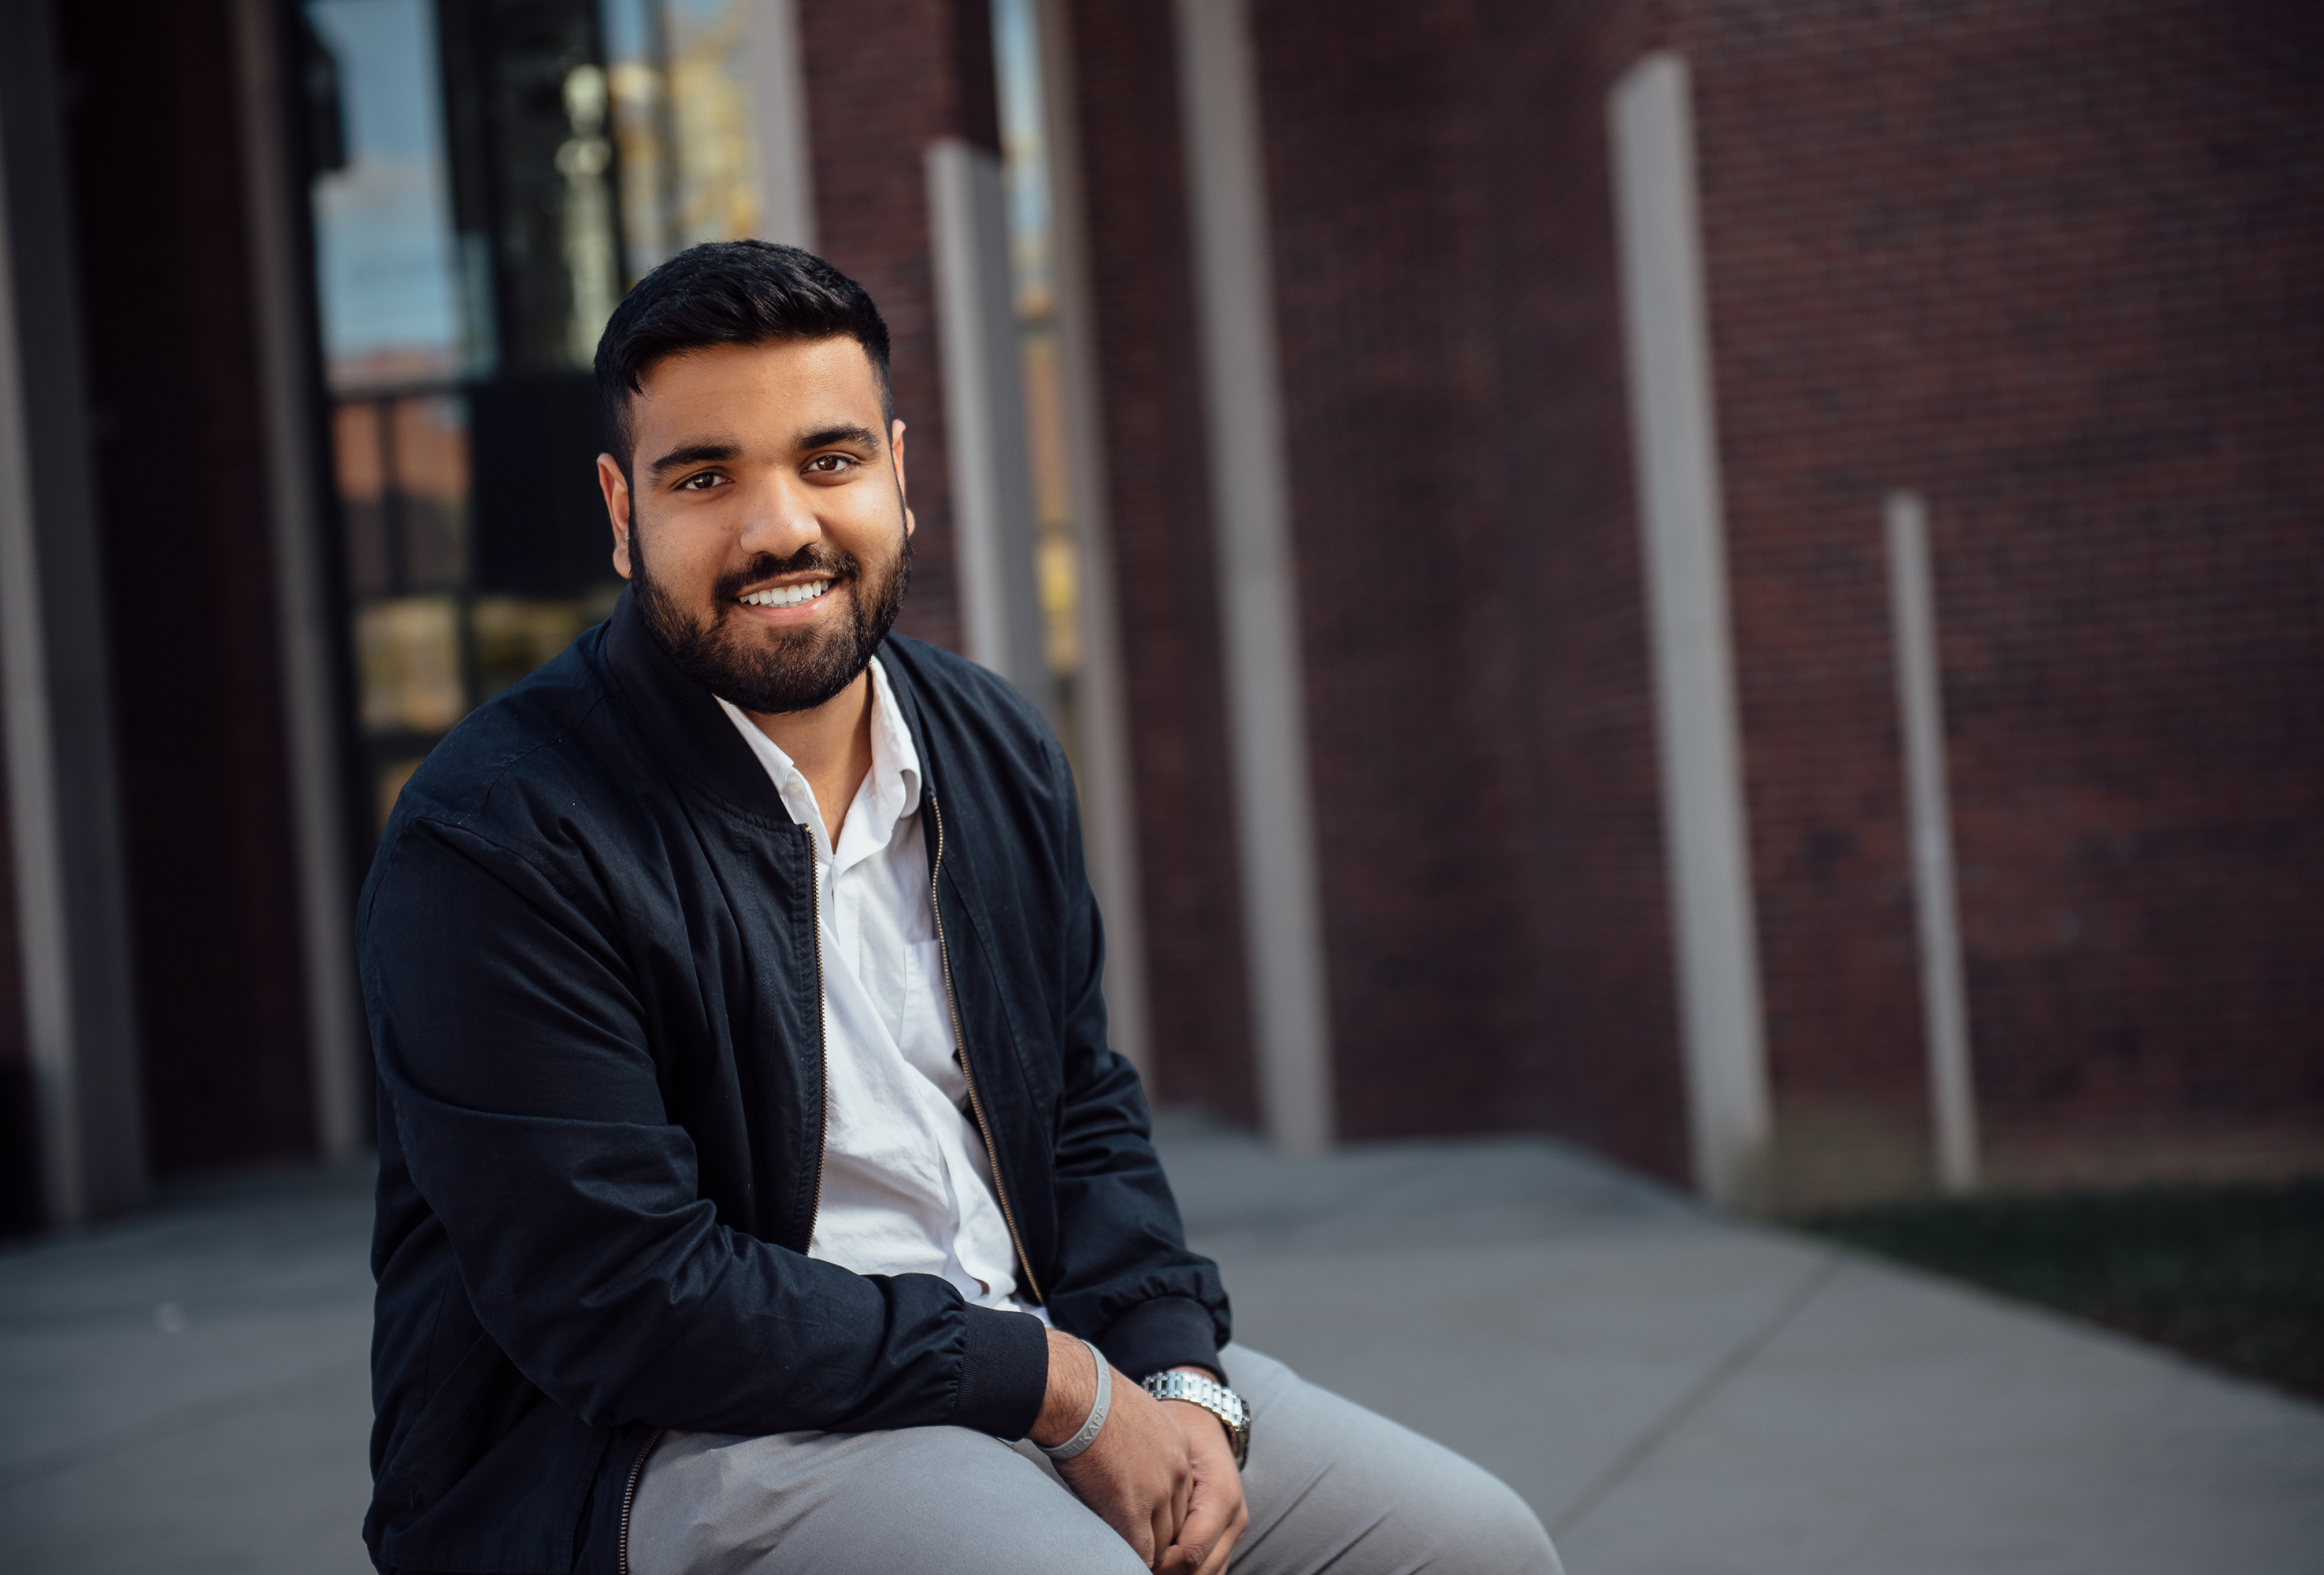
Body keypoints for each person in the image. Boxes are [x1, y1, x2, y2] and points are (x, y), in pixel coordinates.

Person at [360, 239, 1562, 1575]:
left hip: (1032, 1362)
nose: (780, 529)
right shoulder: (502, 832)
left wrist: (1176, 1378)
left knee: (1474, 1547)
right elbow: (622, 1299)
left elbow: (1083, 1109)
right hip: (673, 1441)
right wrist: (1052, 1387)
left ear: (898, 473)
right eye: (706, 477)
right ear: (621, 508)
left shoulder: (990, 744)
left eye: (829, 461)